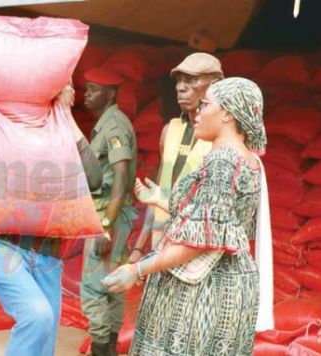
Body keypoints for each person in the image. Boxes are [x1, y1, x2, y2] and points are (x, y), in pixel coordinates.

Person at [103, 77, 274, 355]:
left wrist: (136, 270)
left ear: (228, 113)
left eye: (205, 105)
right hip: (232, 287)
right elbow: (219, 222)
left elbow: (197, 242)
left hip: (200, 294)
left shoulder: (222, 162)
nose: (198, 112)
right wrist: (161, 199)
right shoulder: (248, 159)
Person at [0, 82, 102, 356]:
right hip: (2, 248)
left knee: (44, 344)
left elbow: (93, 179)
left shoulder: (58, 138)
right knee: (37, 315)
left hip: (49, 257)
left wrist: (66, 114)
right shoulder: (2, 139)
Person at [129, 53, 223, 264]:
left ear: (215, 85)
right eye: (179, 80)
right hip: (161, 244)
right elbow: (158, 193)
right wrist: (138, 247)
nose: (180, 87)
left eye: (191, 80)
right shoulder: (170, 130)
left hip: (195, 251)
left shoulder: (223, 140)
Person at [80, 66, 138, 356]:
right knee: (112, 289)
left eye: (93, 89)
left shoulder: (113, 126)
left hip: (109, 215)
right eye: (86, 88)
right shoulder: (110, 122)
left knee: (93, 291)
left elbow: (121, 173)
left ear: (111, 93)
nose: (86, 94)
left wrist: (106, 223)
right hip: (116, 216)